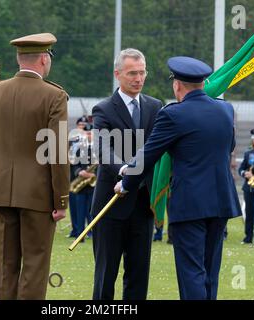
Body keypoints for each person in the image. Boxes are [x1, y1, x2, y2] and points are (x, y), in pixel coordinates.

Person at [116, 56, 241, 300]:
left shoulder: (173, 114)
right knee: (209, 273)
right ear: (203, 83)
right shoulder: (225, 109)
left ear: (177, 85)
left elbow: (149, 154)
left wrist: (126, 183)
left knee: (191, 272)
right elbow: (229, 146)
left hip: (190, 202)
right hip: (221, 200)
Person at [0, 33, 69, 300]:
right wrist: (61, 198)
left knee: (5, 268)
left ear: (19, 58)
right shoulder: (54, 96)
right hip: (39, 196)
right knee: (35, 267)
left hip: (1, 192)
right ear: (43, 59)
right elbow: (57, 152)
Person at [91, 48, 162, 300]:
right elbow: (102, 147)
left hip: (143, 205)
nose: (138, 78)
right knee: (105, 276)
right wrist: (124, 170)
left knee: (138, 275)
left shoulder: (155, 106)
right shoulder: (103, 109)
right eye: (132, 73)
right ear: (117, 74)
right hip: (110, 206)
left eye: (142, 72)